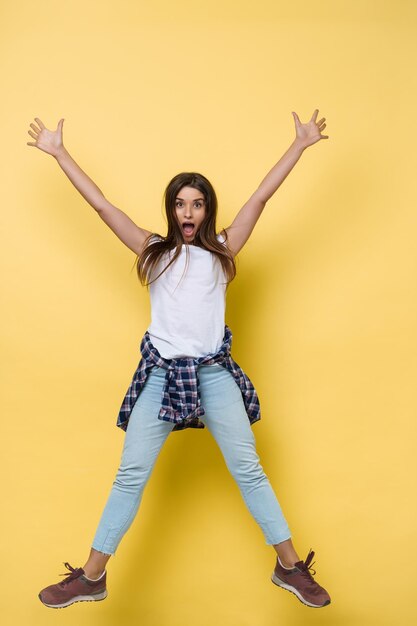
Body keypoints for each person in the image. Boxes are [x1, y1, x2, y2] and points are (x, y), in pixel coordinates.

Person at [27, 110, 331, 609]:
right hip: (162, 376)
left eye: (197, 204)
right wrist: (60, 153)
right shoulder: (154, 251)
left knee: (249, 470)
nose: (188, 212)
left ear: (207, 211)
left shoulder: (224, 252)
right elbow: (104, 208)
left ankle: (290, 567)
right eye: (180, 204)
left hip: (212, 375)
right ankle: (91, 576)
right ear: (171, 211)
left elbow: (259, 197)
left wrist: (298, 146)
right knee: (130, 475)